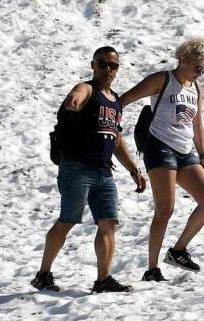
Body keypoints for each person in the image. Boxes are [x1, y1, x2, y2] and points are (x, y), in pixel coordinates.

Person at [32, 47, 148, 293]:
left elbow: (116, 139)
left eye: (113, 66)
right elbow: (78, 92)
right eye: (103, 64)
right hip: (77, 168)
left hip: (104, 173)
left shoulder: (115, 101)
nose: (108, 69)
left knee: (108, 223)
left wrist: (133, 169)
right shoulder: (88, 89)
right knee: (68, 220)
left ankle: (103, 280)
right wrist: (73, 98)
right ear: (93, 65)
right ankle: (43, 274)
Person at [119, 37, 204, 281]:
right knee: (165, 209)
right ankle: (152, 269)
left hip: (185, 151)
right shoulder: (162, 80)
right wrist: (109, 124)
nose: (200, 73)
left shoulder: (195, 88)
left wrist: (203, 155)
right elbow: (124, 100)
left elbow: (197, 123)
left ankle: (178, 250)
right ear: (183, 60)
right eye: (197, 68)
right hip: (159, 147)